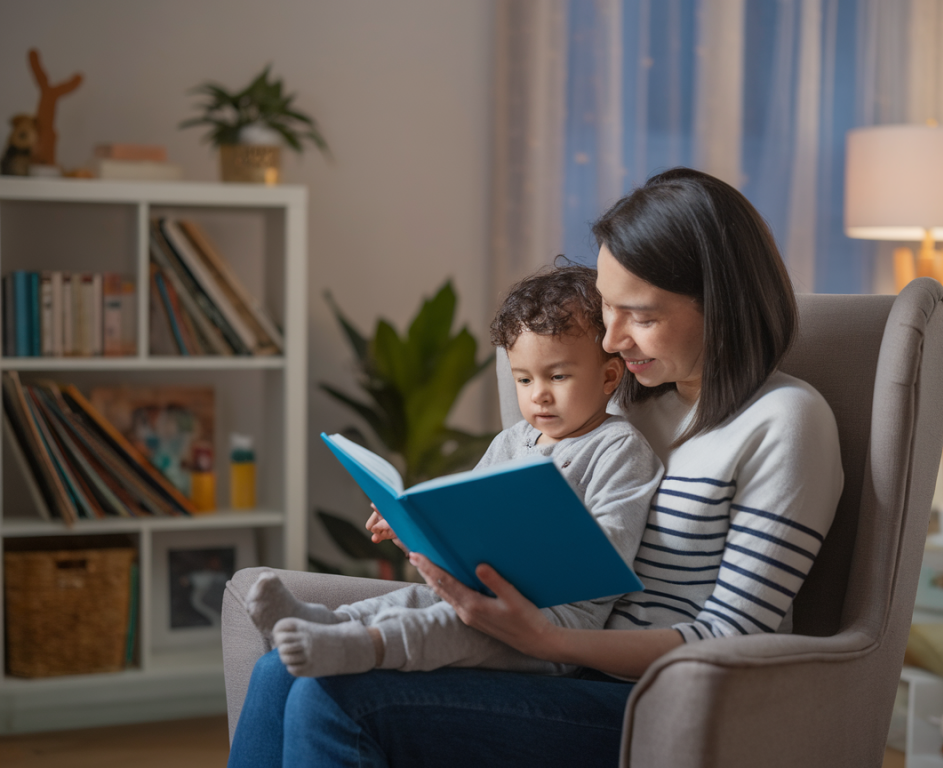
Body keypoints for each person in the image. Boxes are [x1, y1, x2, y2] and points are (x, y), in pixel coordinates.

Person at [226, 167, 844, 768]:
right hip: (558, 663)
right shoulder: (619, 399)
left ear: (725, 305)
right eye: (608, 309)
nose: (611, 341)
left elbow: (732, 638)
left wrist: (547, 641)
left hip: (657, 702)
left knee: (335, 694)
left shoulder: (785, 422)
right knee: (281, 665)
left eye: (644, 317)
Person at [242, 265, 663, 678]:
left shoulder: (618, 447)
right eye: (523, 379)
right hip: (487, 594)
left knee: (452, 625)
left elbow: (611, 551)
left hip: (556, 625)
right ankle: (323, 622)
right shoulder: (512, 441)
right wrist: (415, 531)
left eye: (557, 376)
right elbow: (465, 524)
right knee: (415, 599)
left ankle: (360, 647)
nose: (539, 396)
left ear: (609, 376)